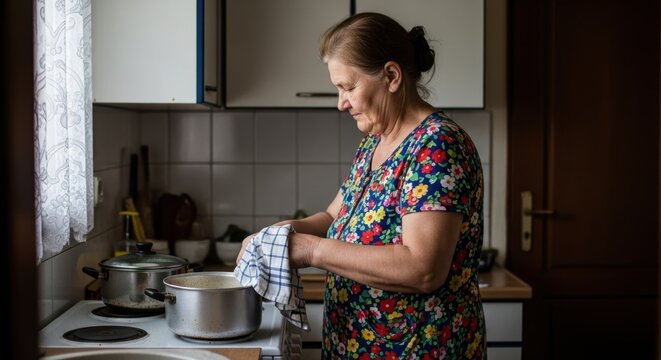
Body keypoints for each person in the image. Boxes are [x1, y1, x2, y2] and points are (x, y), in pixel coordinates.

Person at [239, 12, 486, 359]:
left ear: (391, 76)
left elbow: (423, 268)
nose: (341, 103)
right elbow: (331, 216)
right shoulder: (375, 141)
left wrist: (310, 251)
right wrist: (276, 235)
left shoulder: (437, 146)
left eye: (348, 87)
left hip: (418, 350)